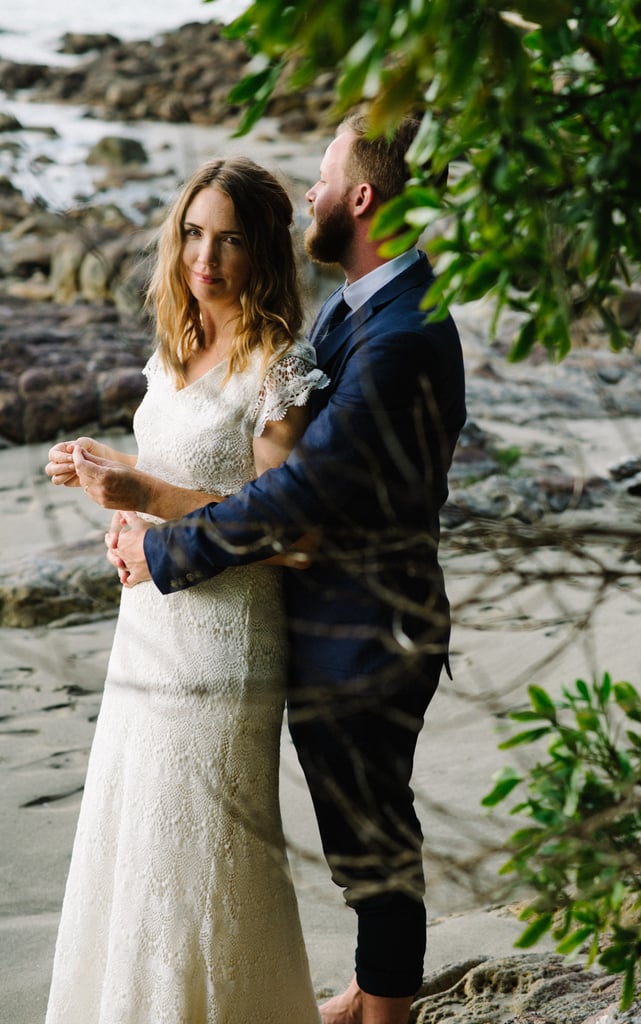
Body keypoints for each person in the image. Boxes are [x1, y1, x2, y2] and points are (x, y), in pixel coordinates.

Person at [72, 113, 467, 1024]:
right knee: (353, 824)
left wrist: (156, 527)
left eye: (324, 178)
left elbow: (295, 502)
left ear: (360, 197)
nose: (312, 195)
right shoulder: (365, 305)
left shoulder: (400, 332)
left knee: (370, 831)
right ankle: (373, 987)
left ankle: (389, 1009)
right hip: (313, 612)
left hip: (367, 618)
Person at [43, 157, 328, 1024]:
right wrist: (115, 480)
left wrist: (151, 503)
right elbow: (177, 475)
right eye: (195, 233)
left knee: (202, 858)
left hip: (226, 643)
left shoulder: (278, 367)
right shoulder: (174, 347)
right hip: (149, 627)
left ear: (263, 251)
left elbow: (294, 536)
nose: (207, 257)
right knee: (134, 840)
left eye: (231, 239)